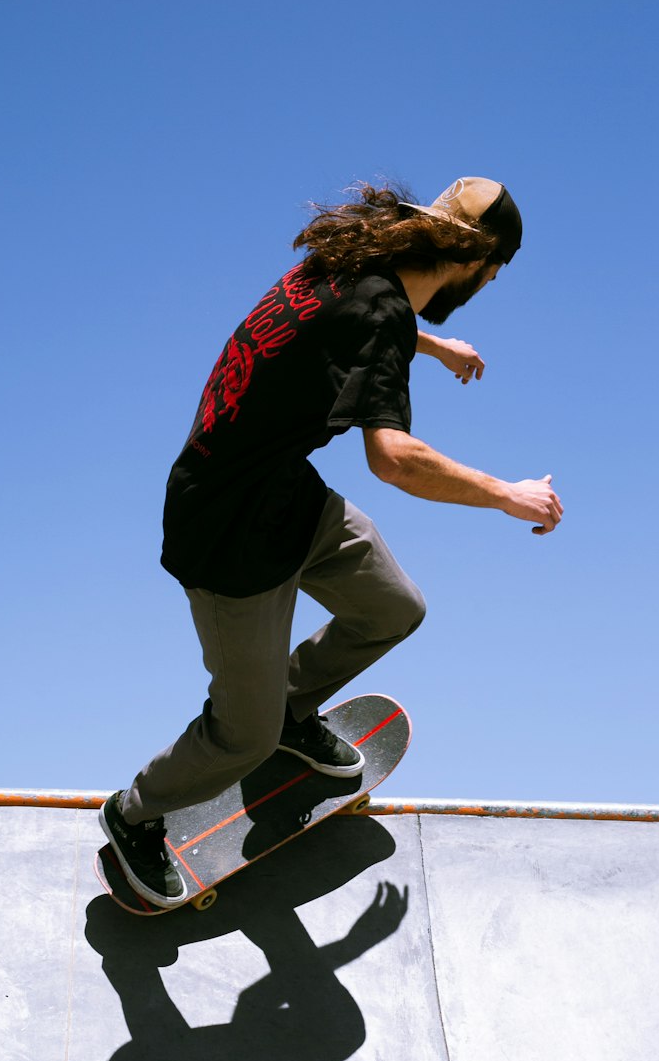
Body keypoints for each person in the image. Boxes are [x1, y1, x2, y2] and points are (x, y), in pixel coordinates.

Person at [101, 176, 564, 906]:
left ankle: (292, 710)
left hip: (286, 496)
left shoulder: (350, 262)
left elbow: (360, 321)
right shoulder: (378, 309)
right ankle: (134, 812)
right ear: (479, 261)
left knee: (391, 608)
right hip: (226, 533)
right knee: (237, 737)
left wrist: (435, 345)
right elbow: (393, 458)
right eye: (495, 273)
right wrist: (506, 494)